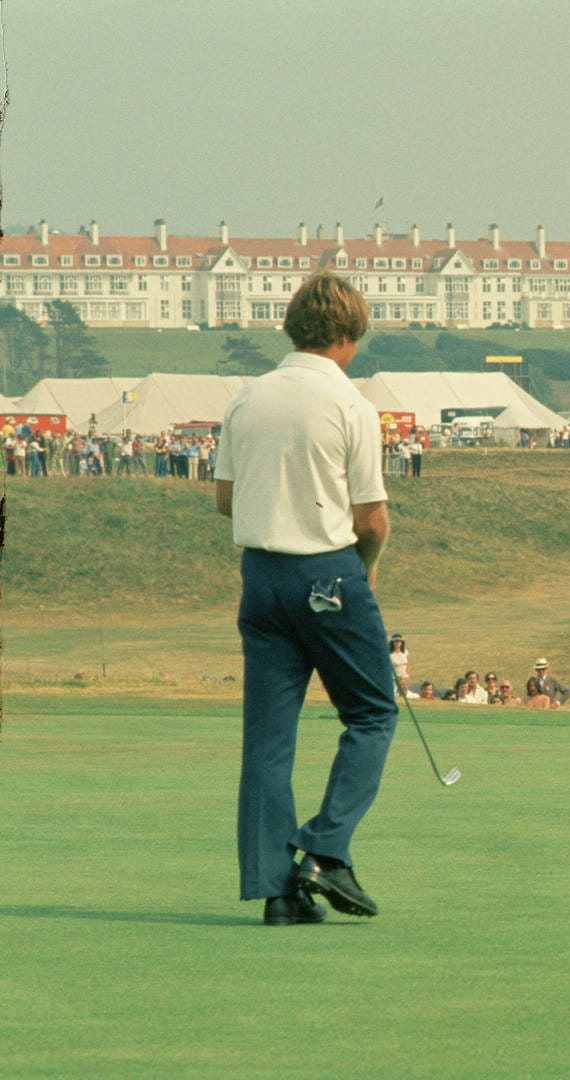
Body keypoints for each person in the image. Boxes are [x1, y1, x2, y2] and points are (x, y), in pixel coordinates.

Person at [214, 271, 396, 924]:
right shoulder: (350, 405)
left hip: (259, 578)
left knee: (266, 740)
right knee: (373, 713)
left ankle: (277, 893)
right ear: (347, 336)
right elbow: (371, 518)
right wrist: (364, 571)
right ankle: (324, 849)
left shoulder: (247, 399)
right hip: (327, 574)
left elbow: (226, 501)